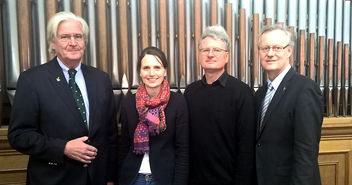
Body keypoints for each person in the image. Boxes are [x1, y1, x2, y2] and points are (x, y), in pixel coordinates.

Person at [7, 11, 118, 185]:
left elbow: (110, 135)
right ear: (52, 43)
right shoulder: (32, 80)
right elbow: (19, 135)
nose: (73, 43)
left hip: (97, 178)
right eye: (65, 37)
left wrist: (110, 178)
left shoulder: (101, 79)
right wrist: (63, 148)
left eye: (78, 36)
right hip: (53, 179)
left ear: (84, 41)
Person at [184, 25, 256, 185]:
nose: (210, 54)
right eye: (205, 50)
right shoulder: (190, 92)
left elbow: (246, 148)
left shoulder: (242, 92)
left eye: (216, 50)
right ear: (199, 55)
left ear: (227, 56)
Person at [255, 24, 323, 185]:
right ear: (259, 53)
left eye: (277, 48)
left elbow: (306, 153)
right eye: (265, 48)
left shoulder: (305, 89)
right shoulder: (260, 94)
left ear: (289, 51)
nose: (270, 53)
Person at [118, 46, 189, 185]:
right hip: (133, 177)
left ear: (165, 71)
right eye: (146, 68)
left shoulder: (178, 102)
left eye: (157, 67)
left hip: (164, 177)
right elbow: (124, 147)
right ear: (140, 72)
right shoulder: (128, 103)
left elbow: (183, 149)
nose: (151, 73)